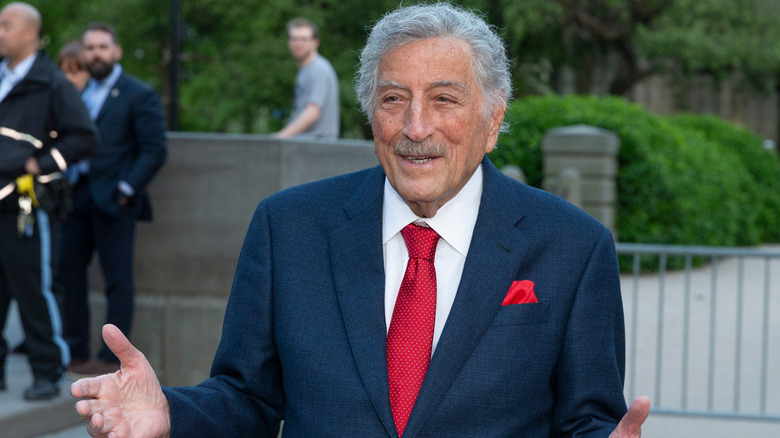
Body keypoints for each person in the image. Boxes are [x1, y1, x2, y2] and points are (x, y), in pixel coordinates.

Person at [71, 3, 650, 436]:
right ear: (371, 114)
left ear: (493, 120)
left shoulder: (573, 247)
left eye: (444, 100)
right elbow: (248, 398)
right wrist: (171, 412)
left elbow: (586, 420)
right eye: (393, 99)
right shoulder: (288, 228)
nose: (414, 127)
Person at [0, 2, 97, 400]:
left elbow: (85, 138)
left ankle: (47, 371)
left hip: (26, 206)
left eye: (5, 25)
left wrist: (37, 164)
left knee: (34, 290)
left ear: (28, 34)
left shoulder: (51, 82)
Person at [58, 21, 167, 376]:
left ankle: (110, 359)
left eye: (102, 47)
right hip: (76, 196)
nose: (96, 54)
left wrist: (125, 190)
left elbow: (154, 150)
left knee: (117, 280)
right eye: (90, 48)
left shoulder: (138, 94)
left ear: (116, 51)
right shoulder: (78, 93)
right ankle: (75, 352)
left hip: (114, 201)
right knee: (68, 274)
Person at [273, 18, 340, 139]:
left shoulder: (318, 69)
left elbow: (313, 111)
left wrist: (282, 136)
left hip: (315, 147)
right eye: (294, 39)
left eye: (303, 39)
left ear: (315, 42)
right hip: (307, 145)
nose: (298, 43)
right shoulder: (306, 70)